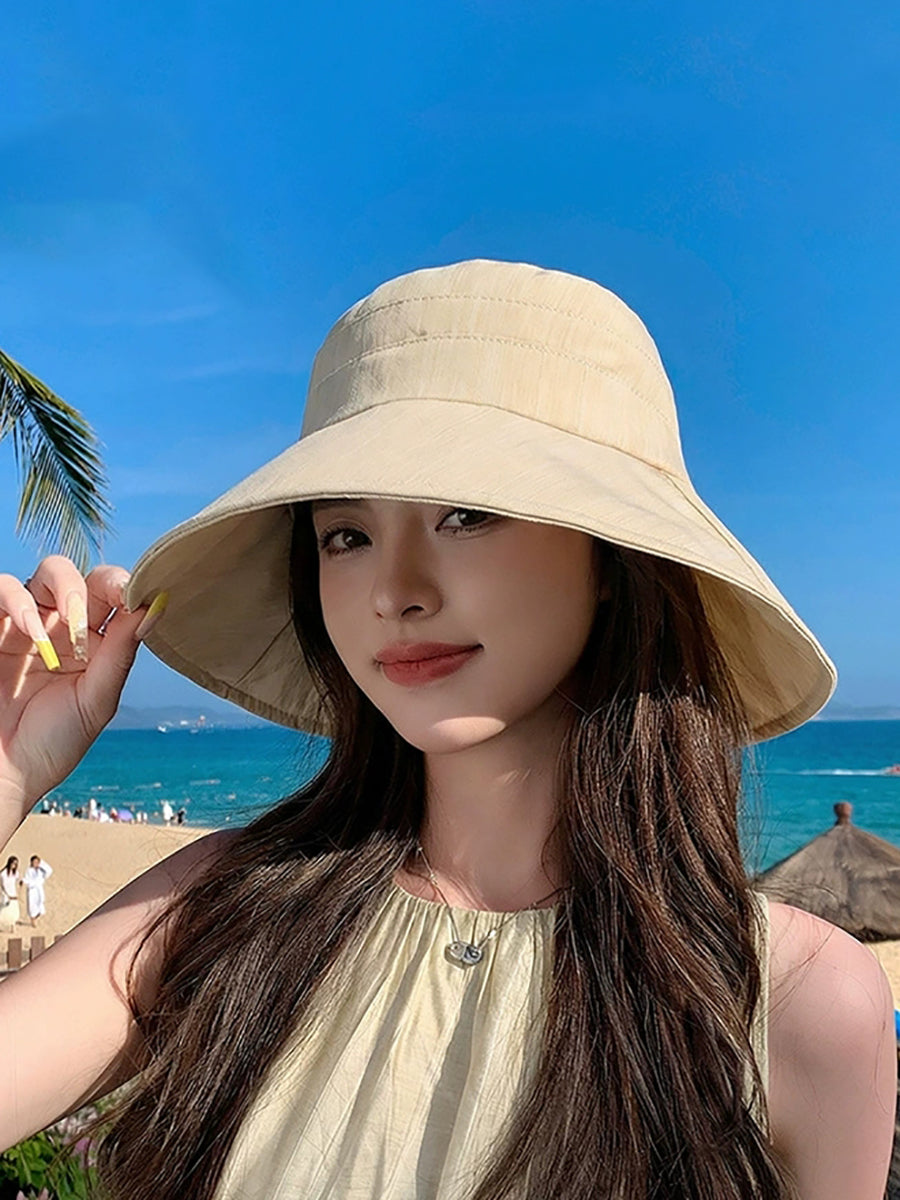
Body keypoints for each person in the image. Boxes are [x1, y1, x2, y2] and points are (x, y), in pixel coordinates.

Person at [0, 260, 894, 1200]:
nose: (395, 591)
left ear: (611, 560)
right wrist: (11, 772)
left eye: (467, 515)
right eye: (347, 535)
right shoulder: (221, 909)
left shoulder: (791, 1002)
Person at [23, 856, 53, 928]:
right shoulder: (29, 870)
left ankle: (35, 918)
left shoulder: (41, 870)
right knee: (32, 906)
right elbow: (27, 879)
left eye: (37, 862)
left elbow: (49, 871)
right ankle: (32, 920)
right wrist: (23, 881)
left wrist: (41, 864)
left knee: (40, 906)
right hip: (32, 890)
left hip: (39, 890)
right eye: (34, 862)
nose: (35, 863)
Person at [0, 857, 22, 933]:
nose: (14, 865)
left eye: (16, 864)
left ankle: (13, 927)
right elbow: (2, 885)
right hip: (5, 893)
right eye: (13, 863)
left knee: (13, 910)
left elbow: (19, 879)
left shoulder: (15, 873)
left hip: (13, 892)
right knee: (4, 910)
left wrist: (21, 883)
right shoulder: (3, 873)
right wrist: (6, 894)